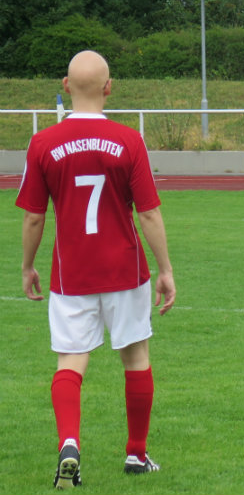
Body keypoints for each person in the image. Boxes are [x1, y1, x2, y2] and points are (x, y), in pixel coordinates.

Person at [16, 50, 176, 489]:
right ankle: (137, 454)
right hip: (125, 269)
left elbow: (33, 216)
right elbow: (148, 213)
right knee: (136, 357)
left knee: (71, 360)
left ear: (65, 86)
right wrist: (165, 269)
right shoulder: (129, 141)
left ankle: (70, 443)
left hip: (72, 276)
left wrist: (28, 265)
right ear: (109, 88)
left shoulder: (43, 143)